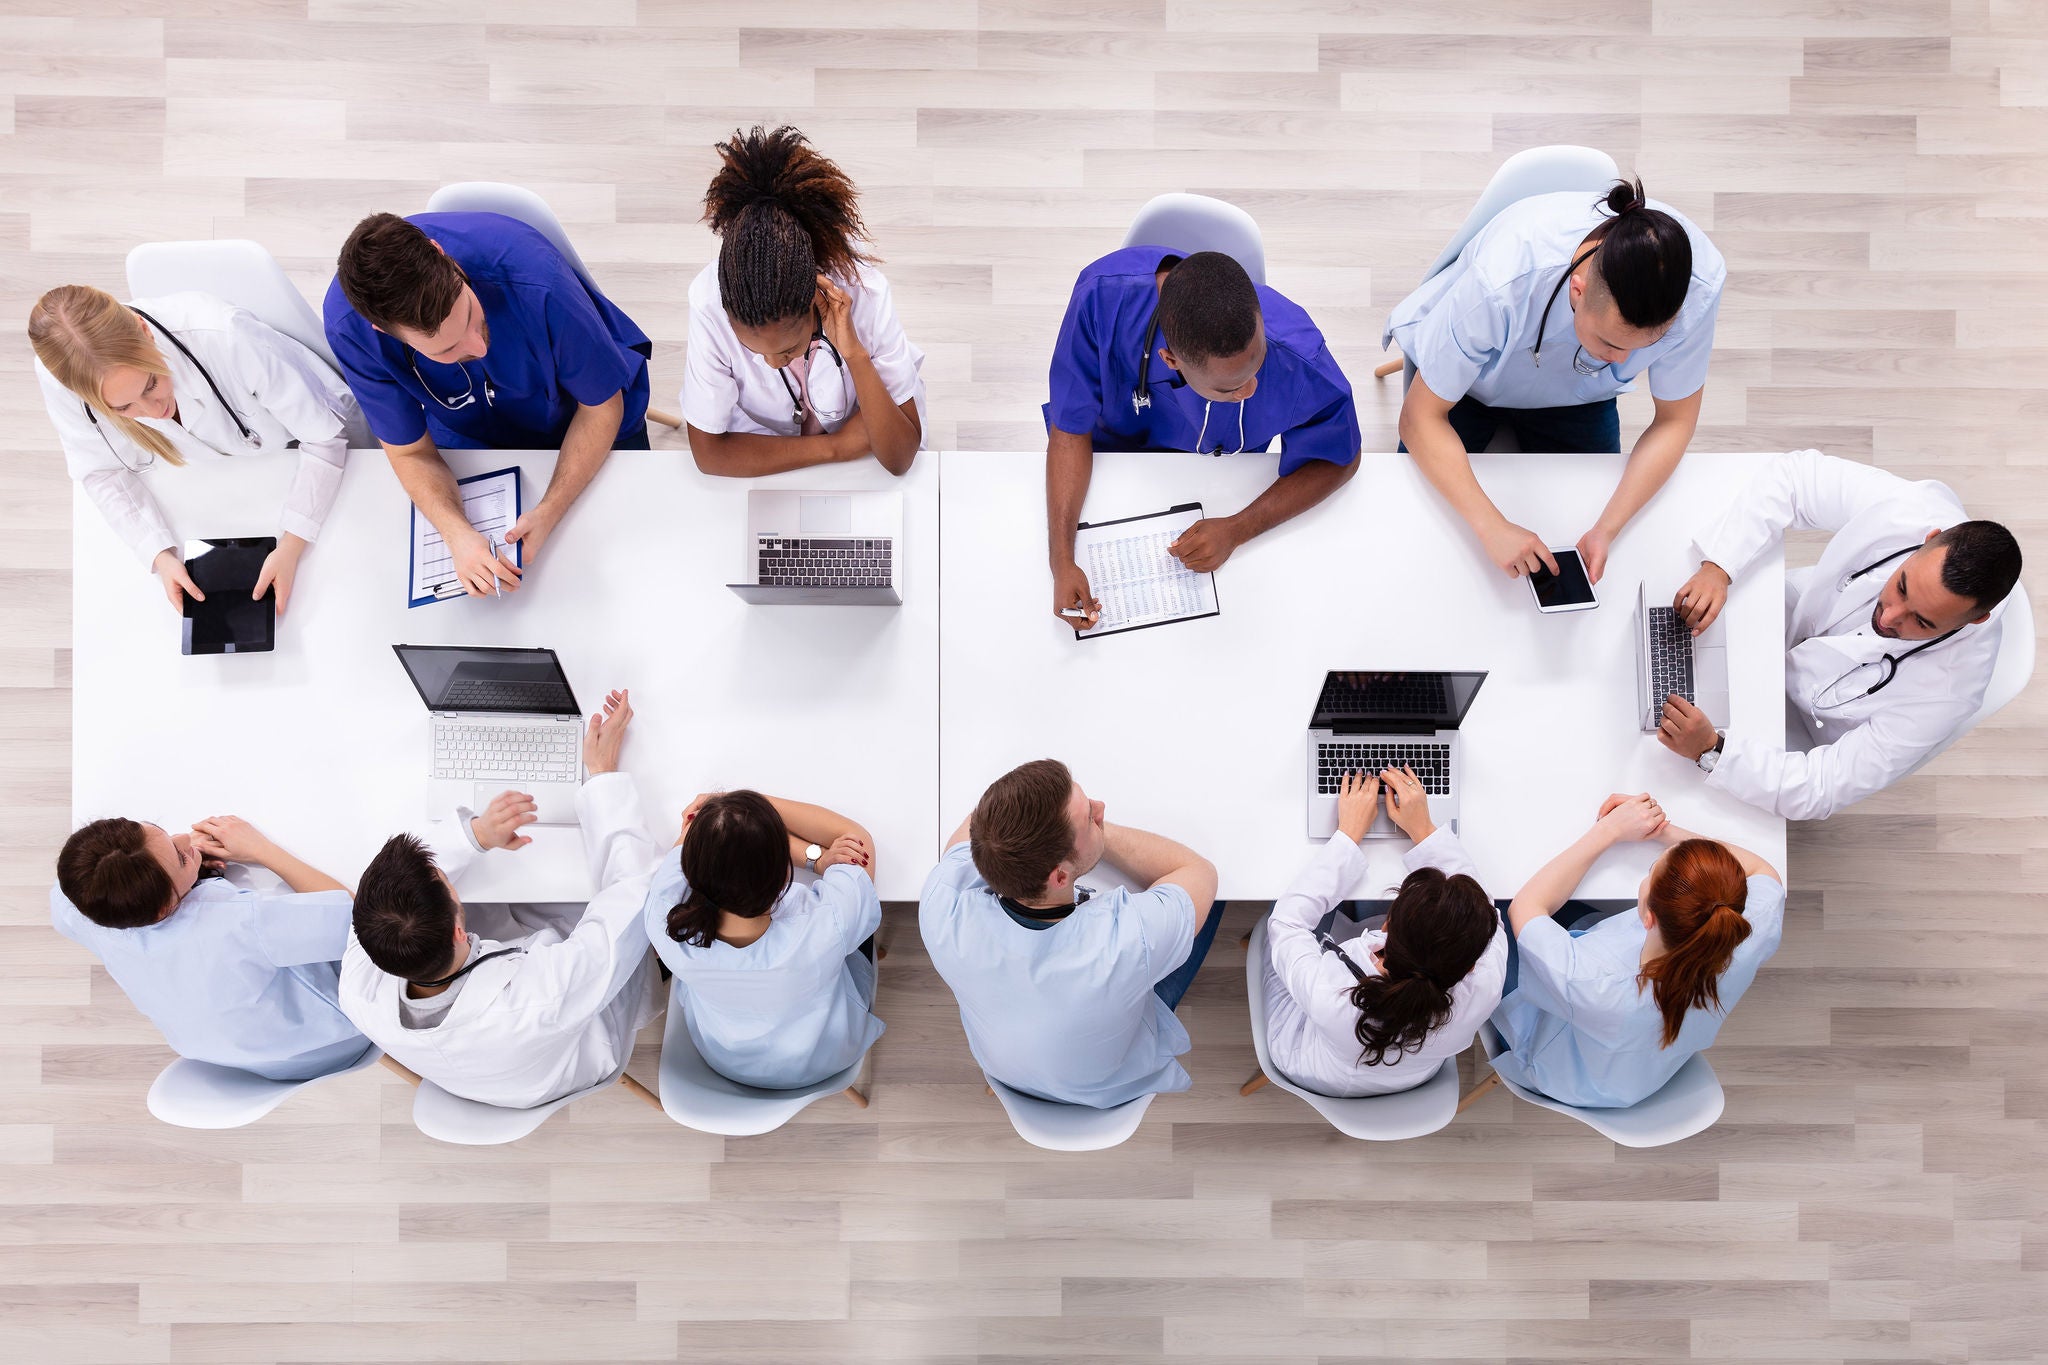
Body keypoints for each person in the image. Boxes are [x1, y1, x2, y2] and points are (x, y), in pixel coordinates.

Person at [1387, 178, 1725, 584]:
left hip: (1580, 396)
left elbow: (1675, 421)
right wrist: (1491, 526)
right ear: (1578, 291)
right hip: (1471, 388)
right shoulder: (1502, 279)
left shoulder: (1699, 284)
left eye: (1644, 347)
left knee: (1588, 515)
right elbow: (1420, 418)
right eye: (1609, 342)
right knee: (1419, 532)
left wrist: (1606, 530)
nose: (1624, 361)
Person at [338, 689, 662, 1108]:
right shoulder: (538, 997)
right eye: (445, 882)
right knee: (587, 901)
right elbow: (629, 898)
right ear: (458, 929)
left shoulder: (359, 984)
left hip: (485, 1069)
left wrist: (474, 835)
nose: (446, 873)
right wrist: (602, 777)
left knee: (512, 899)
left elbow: (380, 899)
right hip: (567, 1058)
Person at [1660, 449, 2023, 821]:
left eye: (1923, 622)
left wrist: (1712, 750)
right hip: (1788, 619)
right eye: (1901, 586)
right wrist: (1719, 567)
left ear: (1974, 622)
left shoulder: (1950, 694)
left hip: (1801, 724)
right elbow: (1795, 479)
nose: (1890, 616)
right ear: (1929, 538)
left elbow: (1821, 787)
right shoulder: (1911, 509)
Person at [323, 211, 654, 597]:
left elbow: (601, 407)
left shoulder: (537, 281)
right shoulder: (351, 330)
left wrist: (550, 508)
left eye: (468, 315)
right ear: (382, 331)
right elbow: (411, 452)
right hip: (473, 429)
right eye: (447, 349)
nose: (477, 347)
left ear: (441, 254)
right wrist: (457, 534)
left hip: (585, 415)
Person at [1045, 247, 1360, 627]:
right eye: (1230, 388)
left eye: (1257, 364)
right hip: (1115, 473)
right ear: (1170, 361)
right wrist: (1061, 560)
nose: (1251, 390)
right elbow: (1069, 429)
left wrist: (1239, 528)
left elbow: (1341, 457)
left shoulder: (1298, 353)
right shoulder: (1100, 302)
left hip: (1225, 484)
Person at [30, 284, 367, 616]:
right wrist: (160, 555)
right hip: (224, 478)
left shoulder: (226, 336)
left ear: (144, 331)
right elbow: (101, 471)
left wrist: (292, 546)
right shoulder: (61, 377)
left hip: (310, 443)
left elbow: (324, 440)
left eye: (152, 383)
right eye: (123, 408)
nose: (151, 410)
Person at [920, 759, 1220, 1108]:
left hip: (1008, 1073)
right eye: (1090, 816)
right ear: (1059, 877)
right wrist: (1098, 837)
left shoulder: (940, 908)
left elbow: (980, 828)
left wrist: (1065, 836)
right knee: (1216, 901)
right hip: (1110, 1083)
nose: (1101, 808)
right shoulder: (1125, 939)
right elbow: (1199, 871)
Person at [1489, 793, 1783, 1109]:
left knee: (1491, 903)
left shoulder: (1595, 982)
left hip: (1559, 1070)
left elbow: (1527, 907)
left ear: (1648, 916)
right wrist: (1664, 832)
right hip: (1641, 1072)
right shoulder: (1744, 927)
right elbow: (1761, 869)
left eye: (1652, 870)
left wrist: (1609, 831)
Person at [683, 125, 924, 478]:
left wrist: (855, 354)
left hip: (817, 461)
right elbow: (708, 454)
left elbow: (900, 456)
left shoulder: (866, 291)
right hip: (771, 456)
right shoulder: (710, 301)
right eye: (754, 351)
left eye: (787, 350)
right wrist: (836, 447)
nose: (773, 364)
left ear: (814, 296)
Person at [51, 813, 368, 1081]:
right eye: (179, 857)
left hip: (236, 1064)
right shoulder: (237, 921)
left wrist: (186, 876)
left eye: (163, 833)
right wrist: (262, 850)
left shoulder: (77, 905)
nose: (185, 840)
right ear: (164, 906)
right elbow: (360, 921)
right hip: (334, 1042)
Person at [1263, 769, 1506, 1097]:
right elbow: (1485, 912)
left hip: (1312, 1065)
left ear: (1385, 926)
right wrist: (1424, 829)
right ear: (1473, 963)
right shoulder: (1487, 982)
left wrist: (1348, 835)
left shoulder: (1333, 995)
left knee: (1285, 915)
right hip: (1411, 1075)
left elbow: (1287, 923)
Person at [642, 789, 882, 1089]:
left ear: (689, 871)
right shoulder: (824, 924)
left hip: (725, 1058)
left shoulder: (663, 918)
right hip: (821, 1056)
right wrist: (750, 802)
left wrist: (725, 815)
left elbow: (690, 838)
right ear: (785, 874)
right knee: (860, 920)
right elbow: (855, 838)